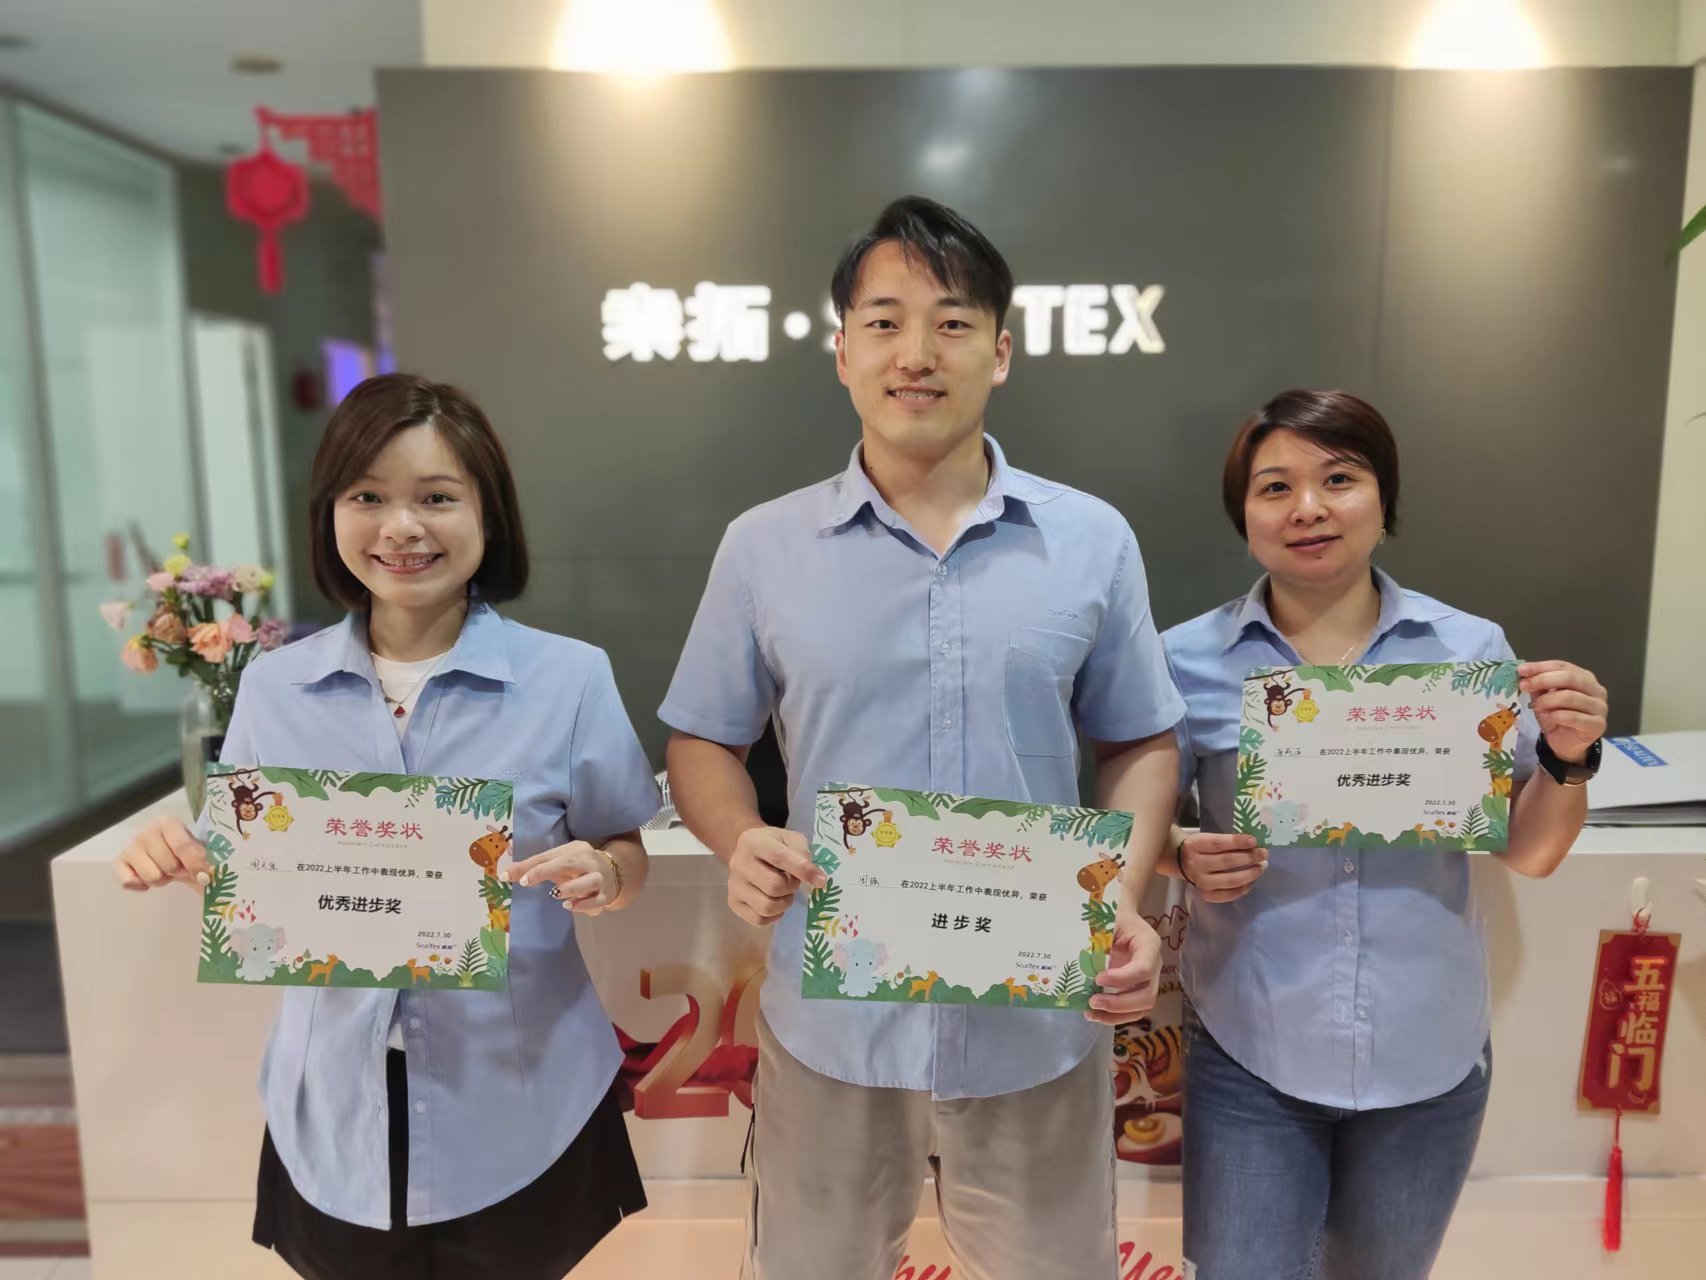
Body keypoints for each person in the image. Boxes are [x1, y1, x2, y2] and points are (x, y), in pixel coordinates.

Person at [660, 195, 1185, 1280]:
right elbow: (703, 742)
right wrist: (739, 837)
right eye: (884, 321)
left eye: (951, 323)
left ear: (1000, 352)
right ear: (841, 351)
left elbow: (1139, 741)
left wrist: (1123, 896)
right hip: (833, 1018)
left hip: (1037, 1013)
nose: (916, 353)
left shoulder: (1090, 541)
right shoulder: (762, 547)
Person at [113, 374, 661, 1279]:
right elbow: (236, 864)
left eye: (436, 498)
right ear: (331, 513)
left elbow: (625, 852)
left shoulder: (568, 680)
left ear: (488, 515)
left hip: (520, 1100)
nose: (400, 527)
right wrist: (175, 850)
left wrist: (605, 874)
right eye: (367, 497)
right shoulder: (275, 688)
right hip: (333, 1102)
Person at [1159, 389, 1607, 1280]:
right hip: (1252, 1047)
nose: (1309, 508)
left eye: (1339, 479)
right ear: (1245, 518)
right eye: (1275, 487)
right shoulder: (1185, 659)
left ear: (1383, 499)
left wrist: (1570, 755)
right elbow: (1146, 825)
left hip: (1427, 1056)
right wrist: (1182, 852)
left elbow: (1530, 851)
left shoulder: (1466, 651)